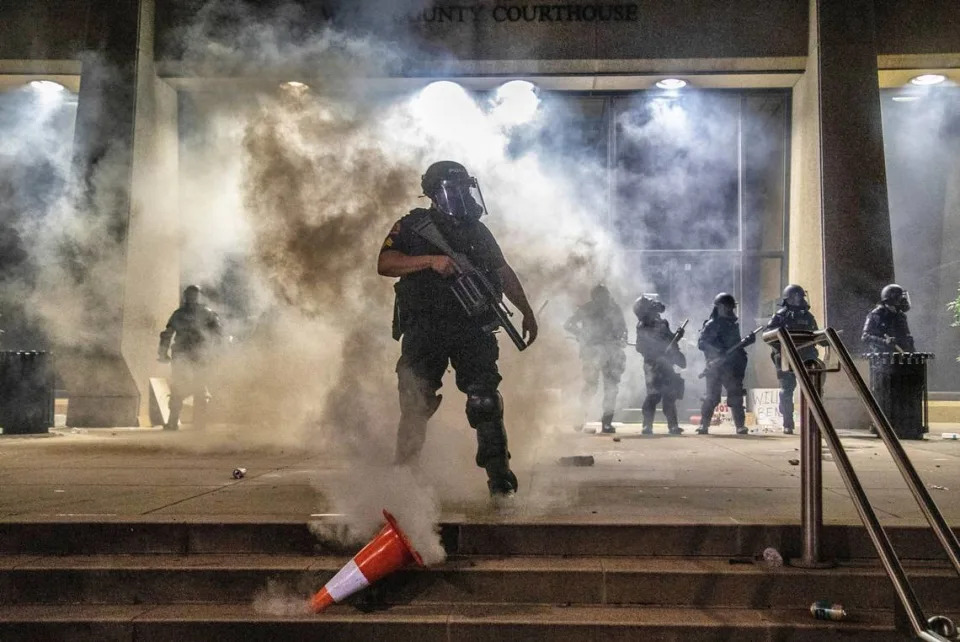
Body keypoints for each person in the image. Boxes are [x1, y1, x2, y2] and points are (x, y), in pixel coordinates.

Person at [377, 160, 538, 502]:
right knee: (415, 402)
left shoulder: (477, 230)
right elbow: (386, 263)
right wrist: (429, 261)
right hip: (425, 327)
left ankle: (500, 481)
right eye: (455, 189)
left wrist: (525, 309)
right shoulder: (412, 226)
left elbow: (502, 270)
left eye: (466, 188)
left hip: (471, 327)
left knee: (485, 401)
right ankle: (403, 481)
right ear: (435, 194)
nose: (463, 195)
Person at [157, 285, 223, 430]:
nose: (191, 298)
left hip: (194, 353)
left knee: (189, 387)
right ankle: (188, 422)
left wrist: (162, 353)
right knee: (188, 387)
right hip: (190, 353)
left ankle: (186, 422)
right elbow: (167, 334)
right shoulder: (198, 314)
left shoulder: (190, 314)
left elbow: (166, 335)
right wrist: (162, 352)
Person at [564, 285, 627, 434]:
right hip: (592, 351)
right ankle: (580, 419)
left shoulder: (614, 309)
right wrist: (582, 335)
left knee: (611, 387)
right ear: (595, 297)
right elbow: (568, 324)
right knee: (591, 386)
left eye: (606, 295)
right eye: (601, 295)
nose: (604, 298)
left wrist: (621, 340)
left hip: (611, 351)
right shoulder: (587, 308)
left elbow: (623, 329)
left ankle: (607, 423)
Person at [696, 292, 755, 435]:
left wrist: (746, 342)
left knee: (735, 395)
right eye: (727, 306)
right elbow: (702, 343)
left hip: (732, 366)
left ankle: (740, 426)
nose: (730, 309)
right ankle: (704, 425)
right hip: (716, 366)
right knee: (711, 397)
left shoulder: (732, 324)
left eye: (731, 306)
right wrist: (717, 351)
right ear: (720, 307)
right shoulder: (711, 324)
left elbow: (735, 345)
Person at [765, 284, 819, 435]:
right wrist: (783, 345)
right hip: (786, 357)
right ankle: (788, 423)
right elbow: (768, 336)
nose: (799, 299)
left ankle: (812, 423)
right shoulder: (780, 316)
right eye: (795, 296)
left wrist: (823, 339)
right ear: (788, 298)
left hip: (807, 356)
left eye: (800, 296)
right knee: (786, 391)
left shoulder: (808, 317)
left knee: (812, 389)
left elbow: (815, 334)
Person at [633, 295, 686, 435]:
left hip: (666, 362)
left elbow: (669, 339)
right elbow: (639, 347)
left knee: (670, 394)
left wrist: (677, 337)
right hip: (652, 363)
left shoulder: (662, 323)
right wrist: (655, 354)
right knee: (653, 395)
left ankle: (673, 426)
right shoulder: (642, 326)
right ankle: (647, 425)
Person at [861, 284, 915, 352]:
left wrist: (912, 352)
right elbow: (865, 336)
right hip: (882, 356)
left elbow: (906, 337)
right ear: (891, 300)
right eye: (900, 298)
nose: (903, 301)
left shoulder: (901, 316)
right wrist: (884, 341)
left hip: (900, 356)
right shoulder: (876, 315)